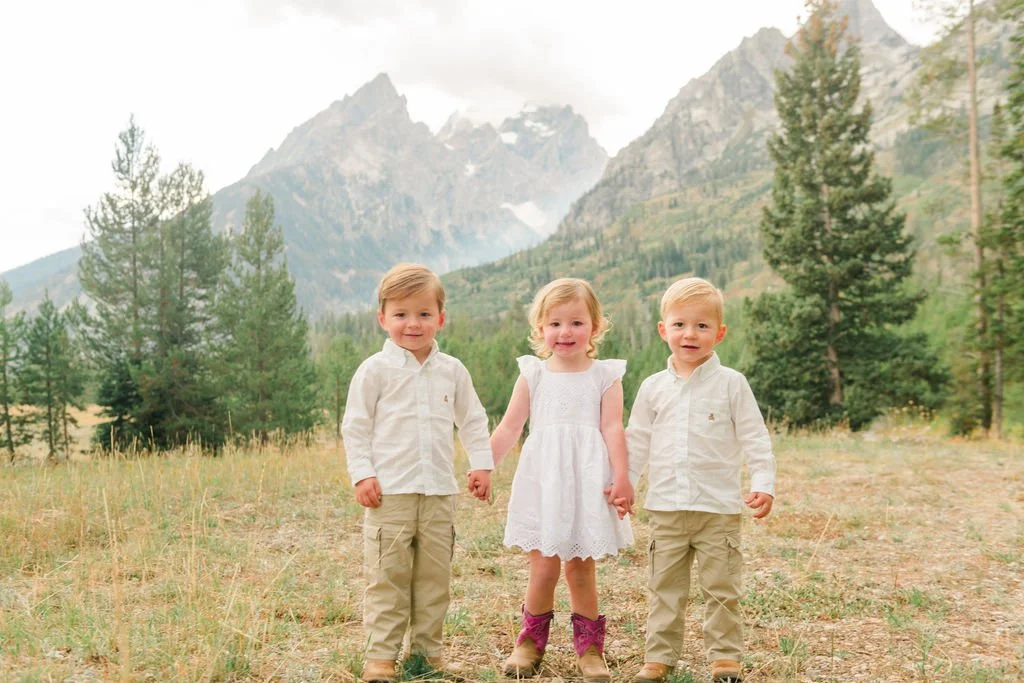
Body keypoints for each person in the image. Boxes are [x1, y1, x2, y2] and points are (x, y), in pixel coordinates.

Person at [342, 263, 493, 683]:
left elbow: (473, 420)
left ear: (440, 318)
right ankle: (381, 658)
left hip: (439, 493)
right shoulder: (375, 370)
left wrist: (480, 463)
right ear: (382, 318)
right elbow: (355, 426)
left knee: (433, 580)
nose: (413, 323)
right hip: (389, 494)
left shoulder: (453, 370)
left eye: (424, 314)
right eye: (402, 314)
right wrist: (362, 474)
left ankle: (427, 653)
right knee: (388, 577)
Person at [620, 277, 775, 683]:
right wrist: (626, 482)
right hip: (666, 508)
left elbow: (755, 437)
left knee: (722, 589)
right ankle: (658, 659)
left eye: (702, 326)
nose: (690, 334)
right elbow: (636, 440)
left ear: (719, 332)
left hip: (717, 510)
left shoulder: (731, 384)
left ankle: (725, 659)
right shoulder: (653, 387)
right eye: (680, 324)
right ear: (663, 329)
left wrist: (763, 481)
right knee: (664, 589)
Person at [482, 277, 634, 681]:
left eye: (576, 323)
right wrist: (484, 465)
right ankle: (529, 643)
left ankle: (590, 650)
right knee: (543, 567)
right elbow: (510, 427)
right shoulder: (534, 374)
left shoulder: (605, 376)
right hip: (545, 481)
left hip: (586, 479)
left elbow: (614, 428)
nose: (565, 332)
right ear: (540, 330)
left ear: (595, 327)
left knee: (580, 568)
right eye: (555, 324)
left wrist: (622, 477)